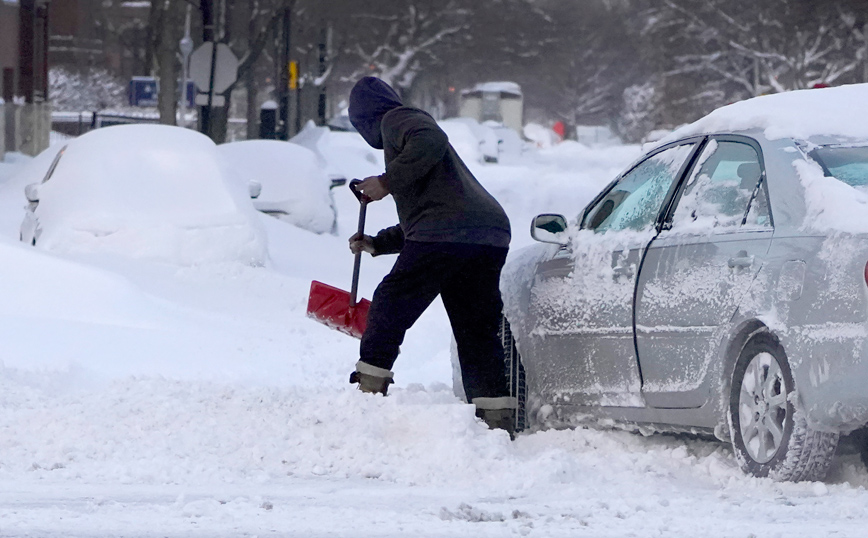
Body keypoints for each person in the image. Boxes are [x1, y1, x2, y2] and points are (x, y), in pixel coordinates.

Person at [346, 76, 516, 436]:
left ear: (364, 117)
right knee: (475, 328)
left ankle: (367, 398)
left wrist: (386, 181)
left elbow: (432, 138)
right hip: (487, 234)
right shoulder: (409, 144)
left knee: (391, 303)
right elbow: (428, 216)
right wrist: (377, 243)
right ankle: (496, 420)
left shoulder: (397, 118)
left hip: (449, 232)